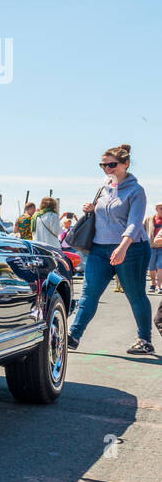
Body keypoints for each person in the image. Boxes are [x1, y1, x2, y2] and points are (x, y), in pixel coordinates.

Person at [67, 144, 153, 354]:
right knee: (89, 294)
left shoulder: (136, 190)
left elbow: (134, 222)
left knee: (135, 295)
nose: (107, 169)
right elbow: (104, 216)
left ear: (126, 164)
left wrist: (123, 247)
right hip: (99, 249)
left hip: (132, 249)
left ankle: (144, 340)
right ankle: (72, 336)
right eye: (103, 165)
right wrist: (91, 209)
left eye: (112, 165)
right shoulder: (103, 188)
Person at [146, 203, 162, 294]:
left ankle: (159, 286)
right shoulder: (149, 219)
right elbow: (142, 231)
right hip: (151, 247)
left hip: (161, 247)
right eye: (161, 208)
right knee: (151, 267)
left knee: (160, 266)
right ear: (156, 208)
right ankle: (153, 284)